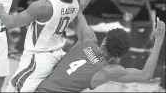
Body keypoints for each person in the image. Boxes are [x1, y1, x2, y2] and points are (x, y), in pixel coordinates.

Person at [35, 13, 165, 92]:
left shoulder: (87, 40)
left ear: (104, 40)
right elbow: (145, 75)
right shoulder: (108, 71)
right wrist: (159, 39)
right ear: (118, 56)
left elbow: (77, 9)